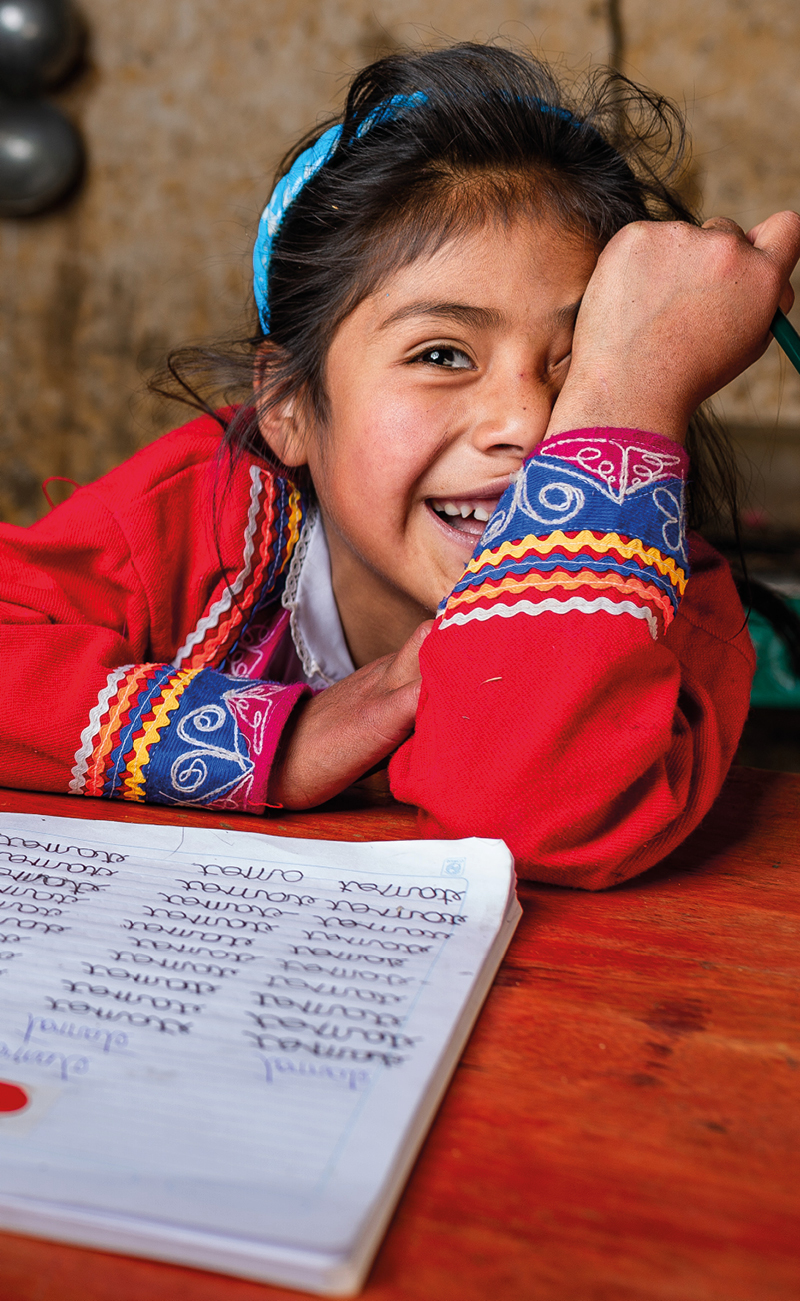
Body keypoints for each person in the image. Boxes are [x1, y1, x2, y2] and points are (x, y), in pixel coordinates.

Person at [2, 44, 799, 888]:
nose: (528, 423)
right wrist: (286, 739)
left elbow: (525, 813)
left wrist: (631, 388)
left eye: (580, 369)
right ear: (288, 408)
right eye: (445, 353)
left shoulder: (673, 612)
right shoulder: (199, 515)